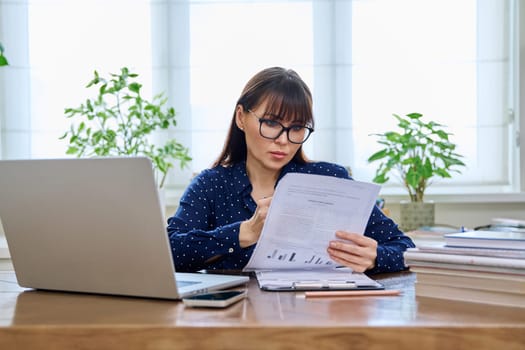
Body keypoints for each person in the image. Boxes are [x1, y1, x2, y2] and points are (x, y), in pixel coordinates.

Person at [167, 67, 415, 274]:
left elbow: (405, 248)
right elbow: (169, 251)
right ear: (241, 117)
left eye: (296, 128)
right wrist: (246, 232)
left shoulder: (330, 180)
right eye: (271, 123)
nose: (284, 140)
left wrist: (374, 258)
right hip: (237, 318)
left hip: (319, 312)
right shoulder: (211, 185)